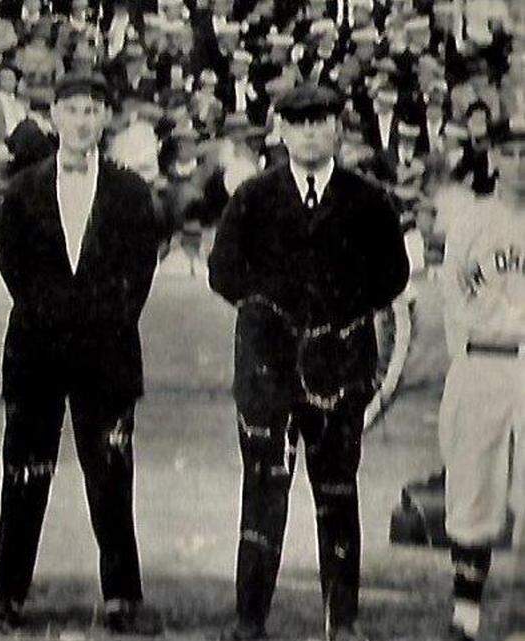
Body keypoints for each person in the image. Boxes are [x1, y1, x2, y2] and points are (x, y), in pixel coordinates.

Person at [207, 83, 410, 641]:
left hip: (339, 371)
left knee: (338, 491)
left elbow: (392, 275)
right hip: (267, 369)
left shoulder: (368, 200)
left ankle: (342, 622)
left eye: (323, 122)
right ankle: (250, 621)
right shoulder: (252, 197)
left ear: (338, 131)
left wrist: (334, 321)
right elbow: (223, 273)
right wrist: (277, 315)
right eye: (300, 123)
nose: (312, 132)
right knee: (264, 488)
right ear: (282, 132)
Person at [0, 72, 167, 636]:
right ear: (54, 118)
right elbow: (13, 268)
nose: (82, 121)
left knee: (111, 475)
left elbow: (140, 274)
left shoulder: (132, 192)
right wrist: (55, 322)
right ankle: (8, 595)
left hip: (106, 354)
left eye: (92, 110)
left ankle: (121, 595)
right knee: (23, 473)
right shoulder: (21, 190)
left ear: (106, 118)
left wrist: (99, 325)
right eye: (71, 111)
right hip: (35, 354)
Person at [436, 117, 525, 641]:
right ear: (493, 160)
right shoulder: (471, 220)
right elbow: (456, 297)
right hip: (481, 360)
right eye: (511, 153)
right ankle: (465, 613)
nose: (521, 164)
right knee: (472, 487)